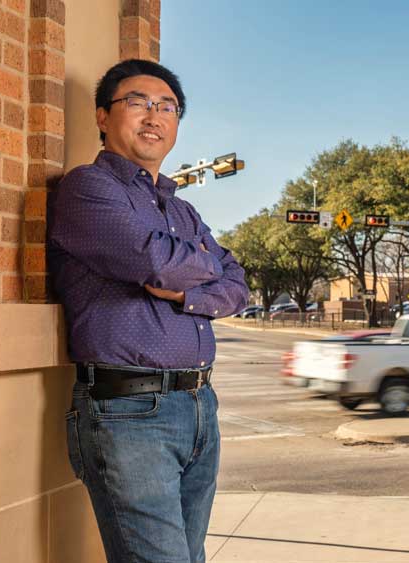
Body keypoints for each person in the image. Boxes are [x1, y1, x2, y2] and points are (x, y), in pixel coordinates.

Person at [47, 59, 249, 562]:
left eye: (167, 107)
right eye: (137, 102)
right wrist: (193, 269)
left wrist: (185, 291)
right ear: (102, 116)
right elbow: (155, 262)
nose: (153, 116)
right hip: (130, 411)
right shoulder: (88, 189)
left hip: (199, 407)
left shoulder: (181, 210)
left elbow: (238, 286)